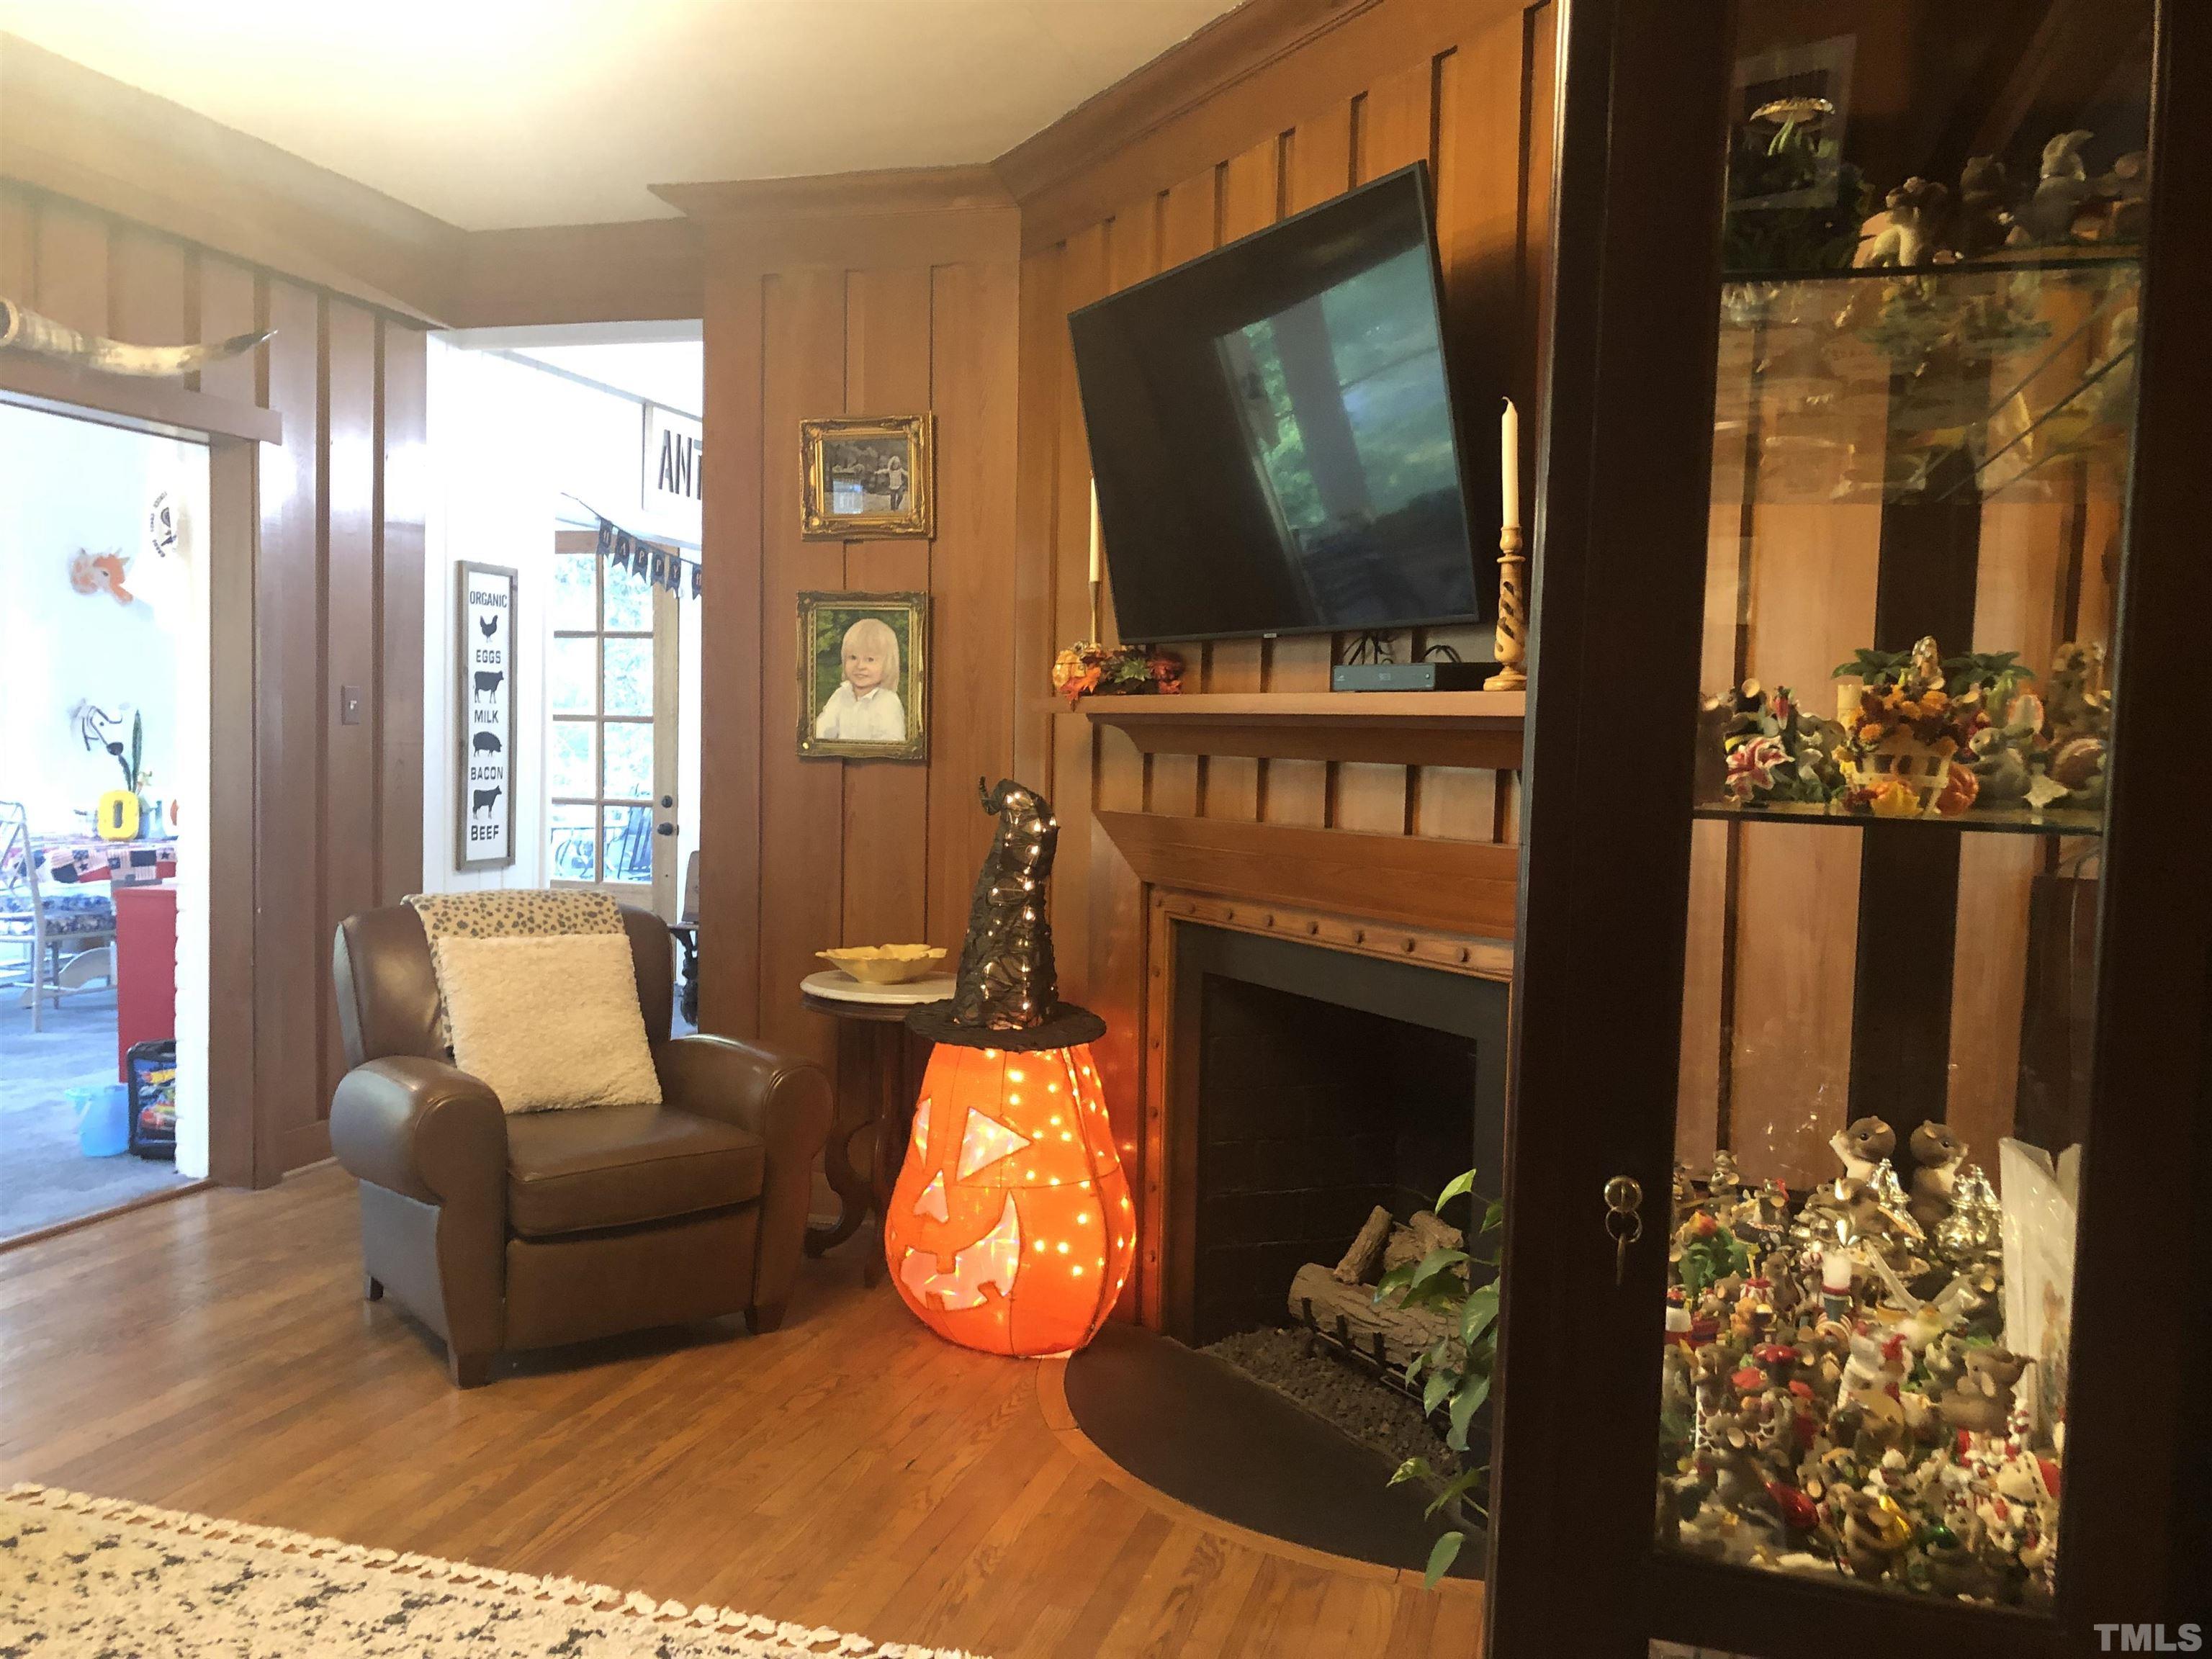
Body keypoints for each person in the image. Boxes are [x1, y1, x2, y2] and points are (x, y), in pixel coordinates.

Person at [814, 615, 906, 742]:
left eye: (870, 660)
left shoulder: (888, 703)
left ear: (887, 665)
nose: (860, 666)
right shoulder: (841, 695)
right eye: (853, 658)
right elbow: (821, 732)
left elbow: (892, 745)